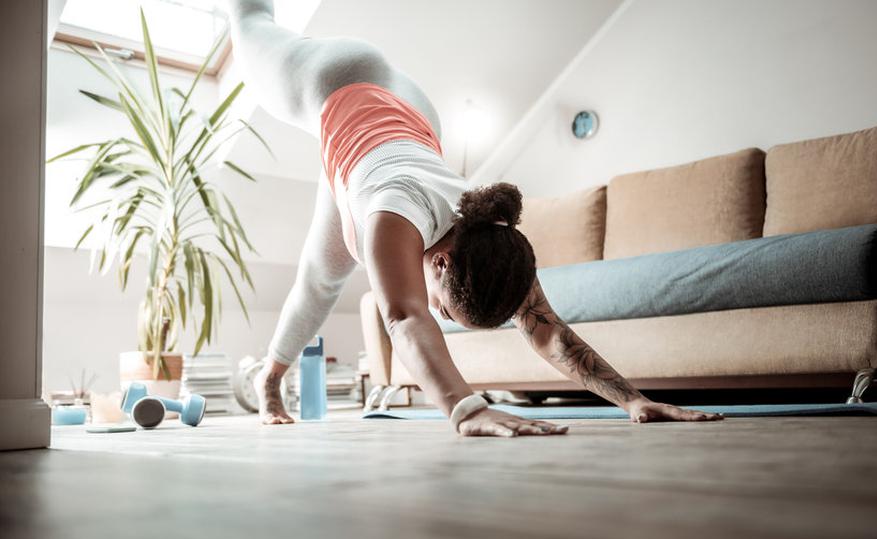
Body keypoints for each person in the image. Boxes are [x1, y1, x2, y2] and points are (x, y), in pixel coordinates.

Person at [226, 0, 723, 436]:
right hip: (337, 79)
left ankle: (267, 376)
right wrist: (466, 410)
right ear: (440, 264)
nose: (437, 309)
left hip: (407, 123)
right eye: (446, 307)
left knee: (320, 275)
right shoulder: (392, 214)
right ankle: (269, 379)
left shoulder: (492, 242)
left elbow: (547, 330)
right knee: (249, 20)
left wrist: (631, 399)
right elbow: (404, 315)